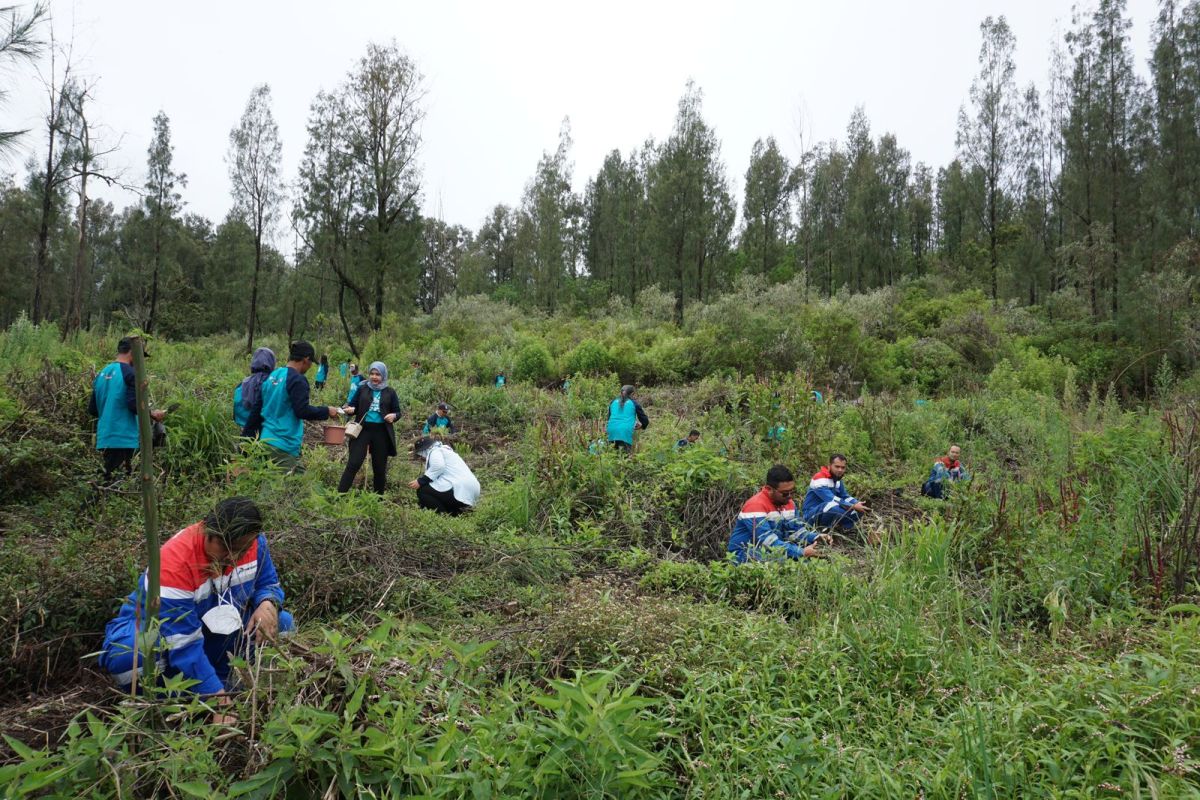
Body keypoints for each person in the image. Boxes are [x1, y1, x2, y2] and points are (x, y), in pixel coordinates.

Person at [98, 497, 293, 721]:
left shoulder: (255, 543)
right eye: (224, 547)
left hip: (212, 635)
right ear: (207, 531)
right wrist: (219, 703)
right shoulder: (173, 564)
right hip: (167, 637)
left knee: (284, 625)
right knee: (132, 655)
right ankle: (167, 704)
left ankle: (225, 686)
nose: (232, 557)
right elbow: (184, 644)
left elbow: (268, 584)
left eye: (241, 549)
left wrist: (267, 603)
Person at [88, 338, 166, 483]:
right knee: (117, 482)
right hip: (123, 438)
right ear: (132, 353)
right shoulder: (131, 374)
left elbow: (93, 409)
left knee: (106, 477)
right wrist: (152, 414)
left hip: (104, 436)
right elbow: (133, 405)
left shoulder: (102, 373)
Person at [258, 341, 341, 473]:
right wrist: (327, 411)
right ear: (306, 360)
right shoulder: (297, 379)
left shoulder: (273, 375)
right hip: (283, 444)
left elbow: (260, 405)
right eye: (310, 363)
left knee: (300, 483)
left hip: (265, 439)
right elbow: (302, 410)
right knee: (279, 490)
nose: (309, 367)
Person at [727, 465, 830, 562]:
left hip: (769, 551)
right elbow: (768, 542)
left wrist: (816, 537)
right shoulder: (755, 506)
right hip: (743, 553)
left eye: (792, 491)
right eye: (785, 493)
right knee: (789, 563)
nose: (789, 496)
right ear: (769, 489)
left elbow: (796, 532)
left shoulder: (788, 503)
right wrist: (801, 552)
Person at [338, 362, 402, 494]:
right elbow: (353, 405)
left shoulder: (390, 392)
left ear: (383, 375)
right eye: (372, 374)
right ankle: (339, 495)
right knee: (353, 463)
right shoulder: (362, 389)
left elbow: (398, 412)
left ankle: (378, 500)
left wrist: (394, 416)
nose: (374, 377)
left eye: (378, 374)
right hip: (362, 430)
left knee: (379, 468)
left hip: (381, 432)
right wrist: (350, 409)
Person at [409, 437, 480, 515]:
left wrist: (421, 481)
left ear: (424, 450)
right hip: (472, 488)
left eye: (420, 454)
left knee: (423, 490)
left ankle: (443, 517)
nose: (421, 457)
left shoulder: (435, 451)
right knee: (433, 492)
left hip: (460, 487)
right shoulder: (446, 451)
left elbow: (438, 466)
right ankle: (456, 513)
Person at [802, 454, 868, 533]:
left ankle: (843, 528)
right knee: (833, 506)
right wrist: (853, 506)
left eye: (843, 467)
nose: (840, 470)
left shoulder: (837, 480)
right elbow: (831, 499)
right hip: (811, 515)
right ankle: (823, 530)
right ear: (829, 466)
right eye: (837, 466)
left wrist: (857, 503)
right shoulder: (819, 479)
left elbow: (845, 496)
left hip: (828, 510)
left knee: (860, 510)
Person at [232, 347, 275, 438]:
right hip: (268, 433)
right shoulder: (274, 382)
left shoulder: (243, 383)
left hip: (246, 428)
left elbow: (237, 410)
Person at [606, 384, 649, 452]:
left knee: (612, 456)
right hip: (625, 433)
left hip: (611, 431)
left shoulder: (613, 402)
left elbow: (609, 418)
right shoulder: (634, 403)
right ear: (632, 394)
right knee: (624, 459)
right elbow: (645, 420)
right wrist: (642, 426)